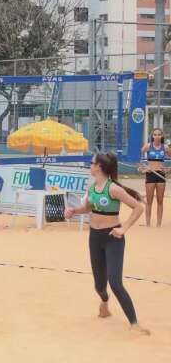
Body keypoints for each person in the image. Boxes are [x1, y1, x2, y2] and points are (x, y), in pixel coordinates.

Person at [65, 152, 149, 335]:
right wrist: (73, 211)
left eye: (92, 162)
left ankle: (134, 323)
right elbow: (88, 208)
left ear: (100, 167)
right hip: (95, 237)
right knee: (99, 285)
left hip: (113, 238)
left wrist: (124, 228)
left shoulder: (113, 189)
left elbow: (138, 207)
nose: (90, 164)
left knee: (115, 282)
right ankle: (104, 303)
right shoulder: (93, 187)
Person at [140, 128, 170, 227]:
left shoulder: (165, 147)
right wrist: (143, 169)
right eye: (155, 134)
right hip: (150, 175)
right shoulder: (148, 146)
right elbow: (138, 159)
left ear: (162, 136)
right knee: (149, 201)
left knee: (160, 201)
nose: (157, 136)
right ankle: (148, 224)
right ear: (152, 136)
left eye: (159, 134)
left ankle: (158, 225)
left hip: (161, 175)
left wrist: (168, 169)